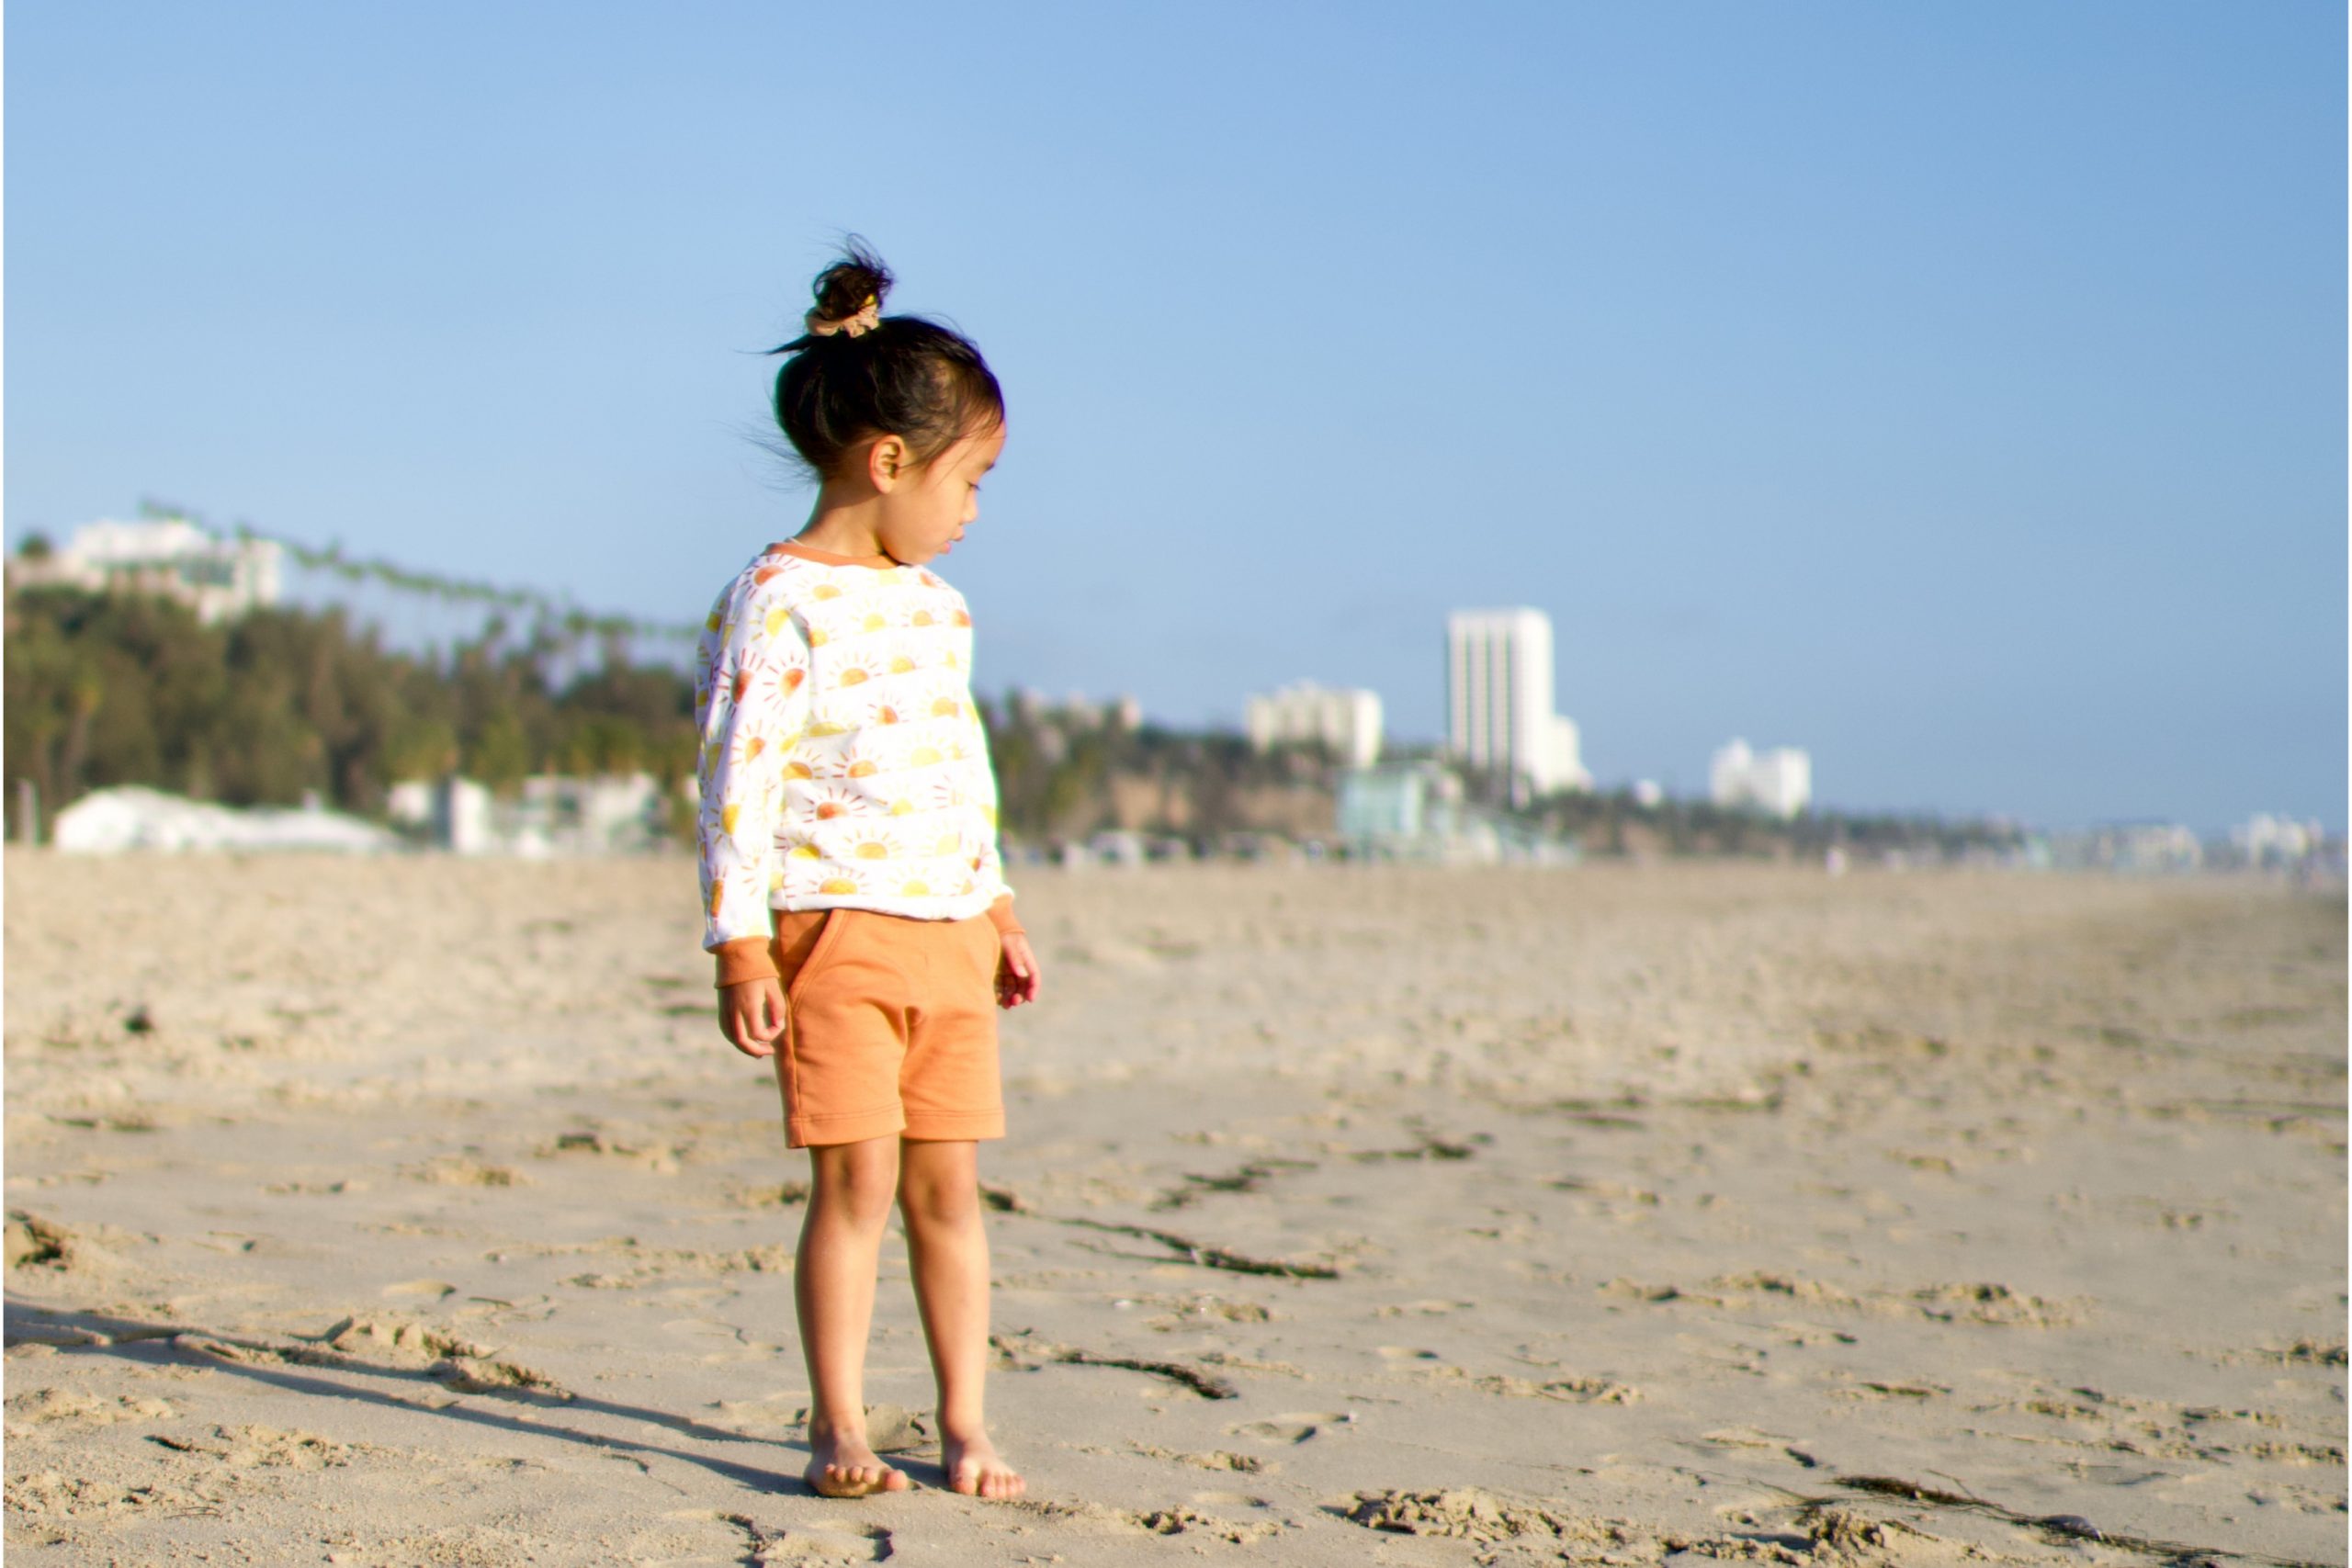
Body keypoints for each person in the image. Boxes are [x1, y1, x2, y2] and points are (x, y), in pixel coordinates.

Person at [695, 242, 1039, 1501]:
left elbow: (959, 766)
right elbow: (738, 777)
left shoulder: (937, 608)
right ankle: (838, 1422)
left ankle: (964, 1425)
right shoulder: (779, 599)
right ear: (887, 463)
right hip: (834, 930)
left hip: (949, 929)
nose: (974, 511)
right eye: (971, 479)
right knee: (856, 1182)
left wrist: (995, 901)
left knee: (949, 1188)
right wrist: (740, 939)